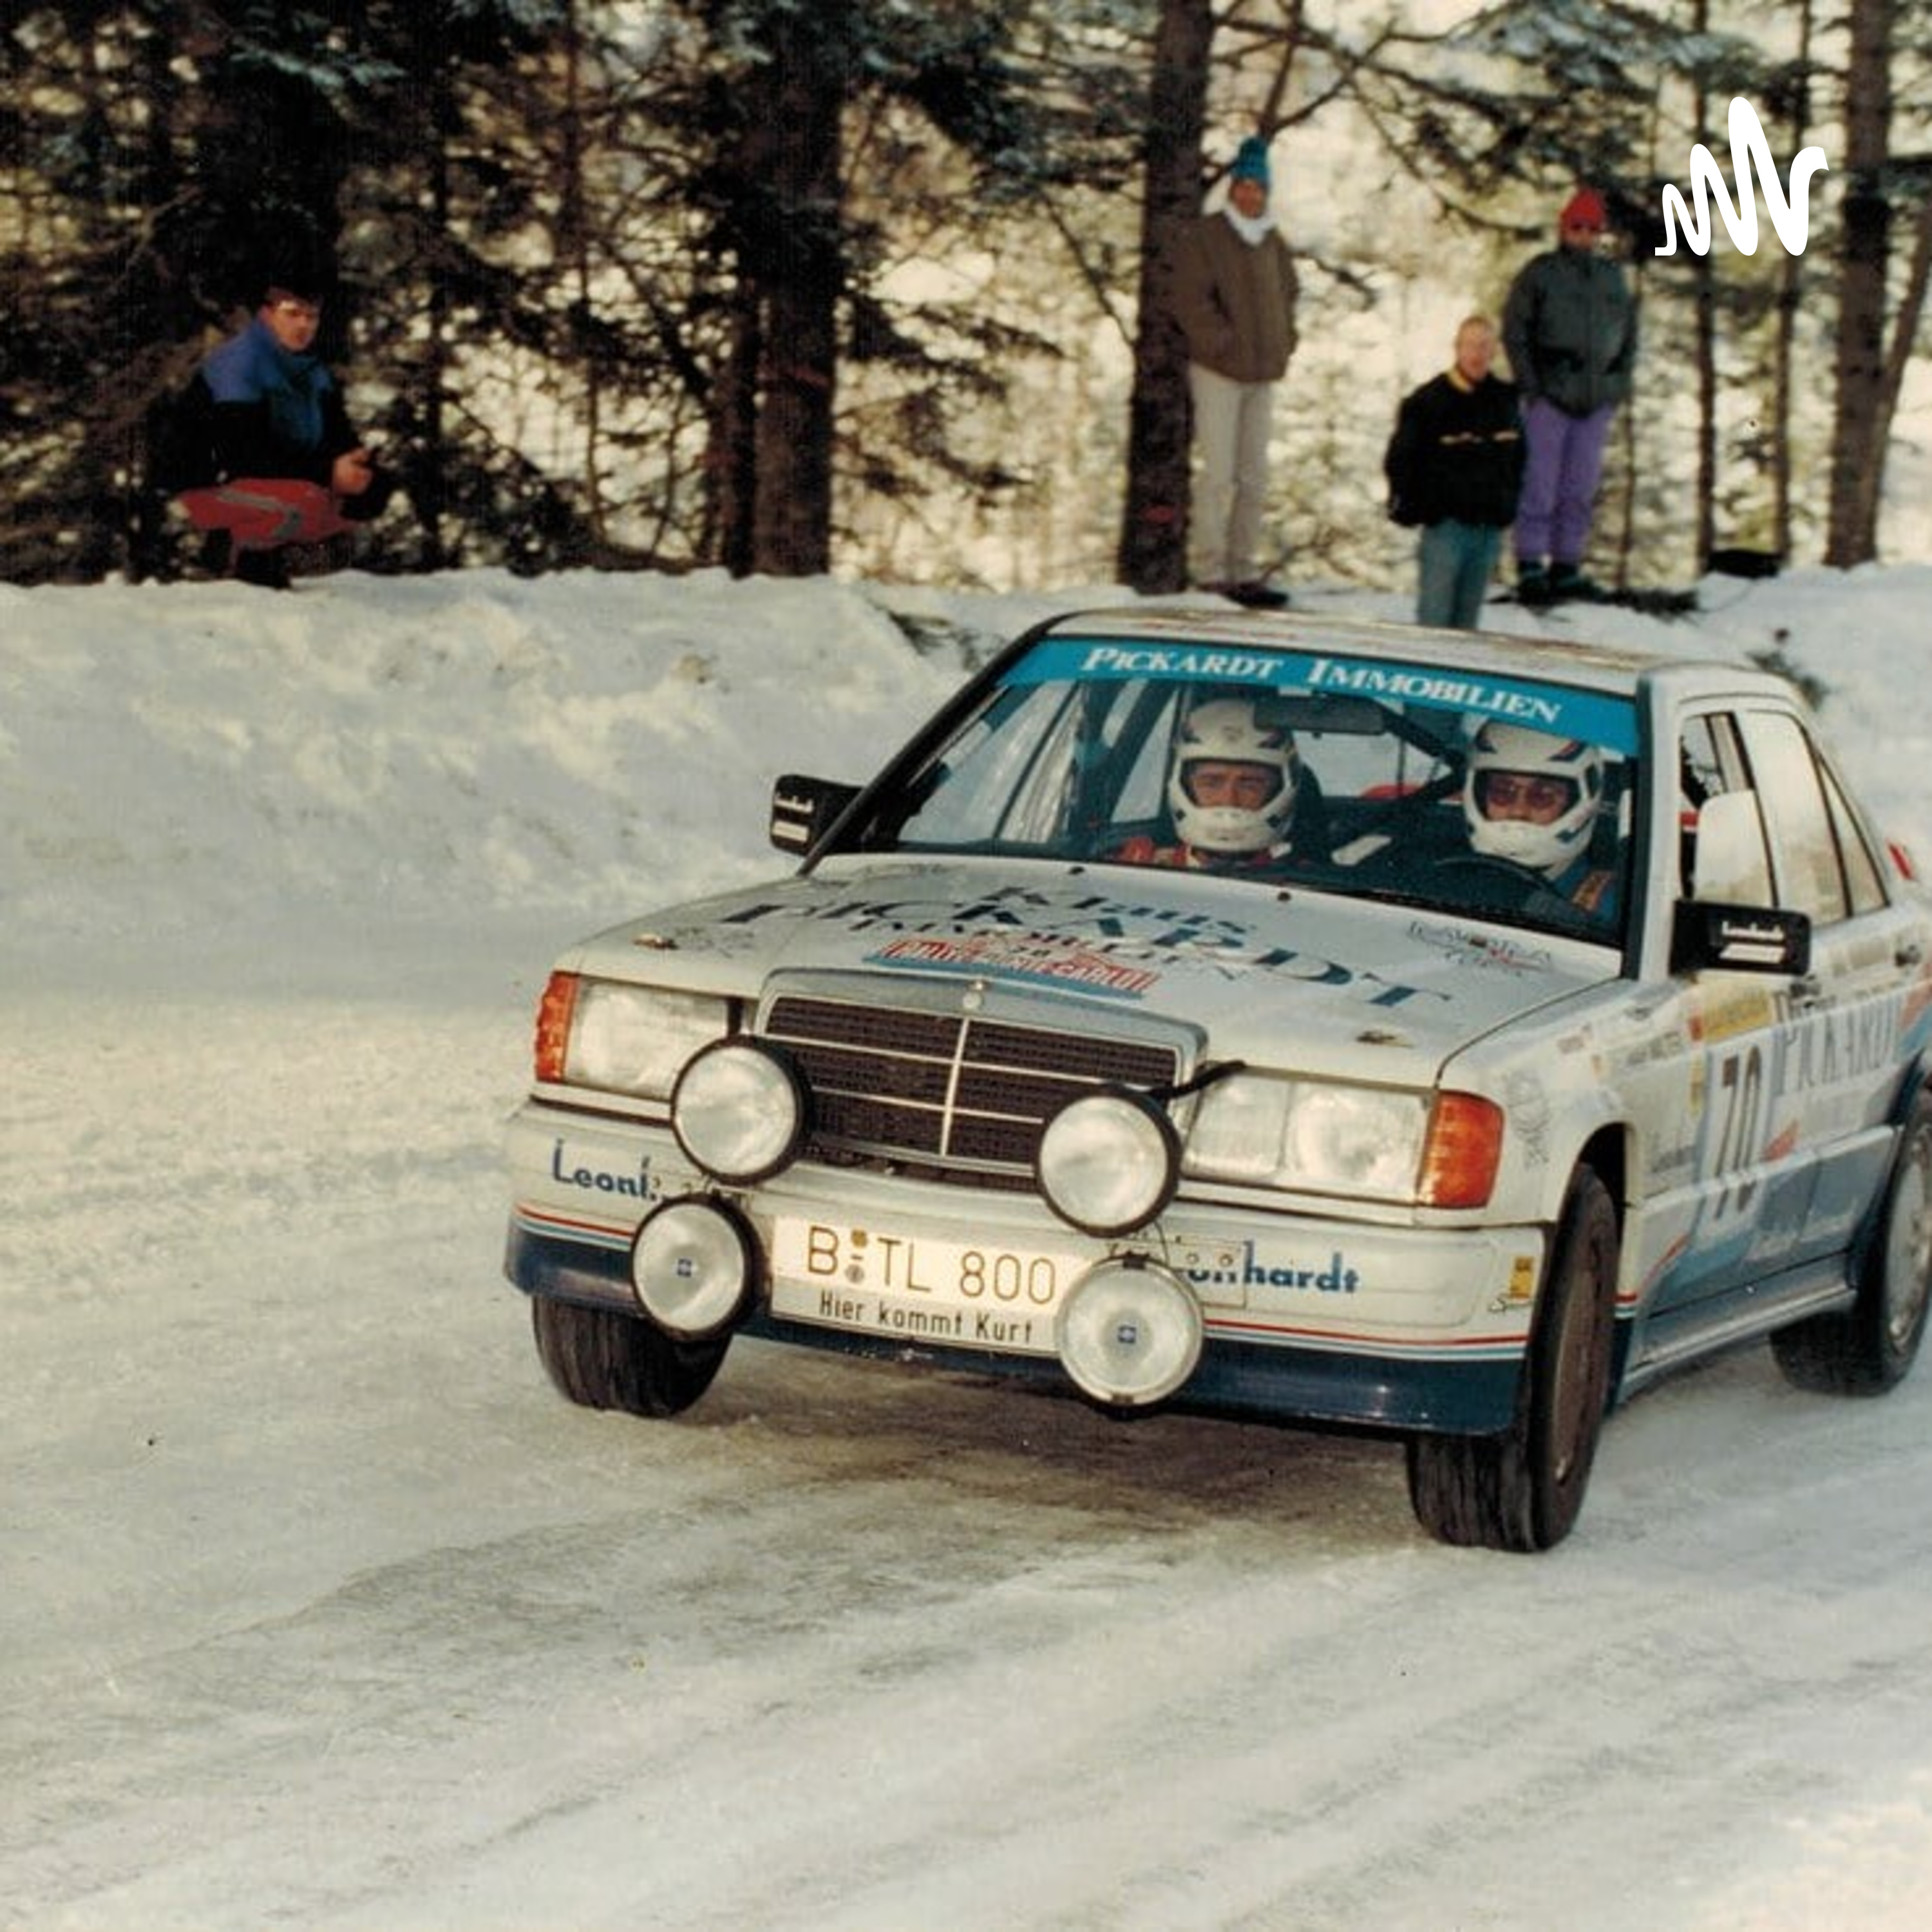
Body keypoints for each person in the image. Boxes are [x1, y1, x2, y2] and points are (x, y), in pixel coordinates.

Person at [168, 270, 392, 588]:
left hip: (276, 482)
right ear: (266, 314)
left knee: (345, 528)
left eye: (312, 316)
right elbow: (244, 455)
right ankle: (231, 551)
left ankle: (262, 553)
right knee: (308, 500)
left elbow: (337, 437)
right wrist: (328, 473)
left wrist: (362, 470)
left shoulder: (313, 370)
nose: (304, 325)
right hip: (208, 486)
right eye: (292, 314)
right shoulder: (239, 363)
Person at [1168, 135, 1299, 609]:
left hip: (1262, 375)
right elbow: (1190, 300)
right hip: (1218, 372)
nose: (1250, 194)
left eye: (1258, 187)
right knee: (1218, 475)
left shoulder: (1271, 240)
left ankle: (1244, 572)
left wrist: (1287, 342)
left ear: (1267, 191)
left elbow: (1290, 294)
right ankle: (1210, 572)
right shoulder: (1208, 236)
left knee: (1254, 476)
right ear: (1233, 188)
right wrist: (1220, 344)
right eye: (1243, 185)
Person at [1501, 187, 1637, 605]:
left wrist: (1617, 387)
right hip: (1551, 391)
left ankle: (1567, 565)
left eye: (1591, 229)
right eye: (1576, 227)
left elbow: (1630, 337)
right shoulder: (1540, 273)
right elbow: (1515, 330)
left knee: (1580, 486)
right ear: (1563, 228)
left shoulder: (1611, 276)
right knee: (1539, 482)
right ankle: (1529, 565)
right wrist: (1532, 387)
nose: (1584, 235)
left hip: (1595, 396)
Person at [1383, 315, 1524, 629]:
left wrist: (1508, 508)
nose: (1477, 354)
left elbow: (1519, 461)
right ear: (1457, 348)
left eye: (1485, 346)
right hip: (1446, 529)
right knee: (1435, 620)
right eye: (1470, 345)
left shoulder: (1505, 400)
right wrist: (1414, 507)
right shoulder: (1427, 402)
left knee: (1466, 626)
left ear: (1495, 352)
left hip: (1488, 530)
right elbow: (1401, 461)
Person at [1111, 696, 1321, 871]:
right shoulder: (1135, 864)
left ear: (1279, 789)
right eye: (1211, 783)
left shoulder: (1306, 885)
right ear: (1184, 784)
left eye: (1250, 785)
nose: (1228, 799)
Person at [1462, 721, 1618, 917]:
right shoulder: (1442, 879)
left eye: (1543, 796)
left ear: (1581, 799)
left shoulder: (1611, 907)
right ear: (1477, 795)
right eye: (1502, 792)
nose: (1518, 811)